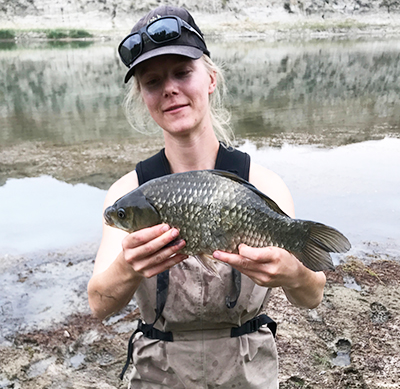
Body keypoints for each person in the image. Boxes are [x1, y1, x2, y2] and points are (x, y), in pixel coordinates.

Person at [87, 5, 326, 388]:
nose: (169, 89)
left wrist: (293, 273)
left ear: (211, 78)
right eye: (152, 81)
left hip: (248, 372)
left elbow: (312, 294)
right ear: (143, 98)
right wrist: (129, 267)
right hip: (158, 373)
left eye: (183, 72)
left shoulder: (264, 184)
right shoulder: (127, 193)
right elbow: (99, 303)